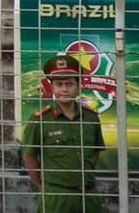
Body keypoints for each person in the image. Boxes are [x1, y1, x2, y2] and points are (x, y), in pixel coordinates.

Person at [22, 52, 107, 212]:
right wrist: (44, 186)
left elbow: (95, 153)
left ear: (78, 86)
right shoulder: (40, 120)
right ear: (52, 87)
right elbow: (30, 156)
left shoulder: (91, 118)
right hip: (56, 197)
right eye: (59, 85)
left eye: (69, 84)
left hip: (87, 196)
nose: (64, 89)